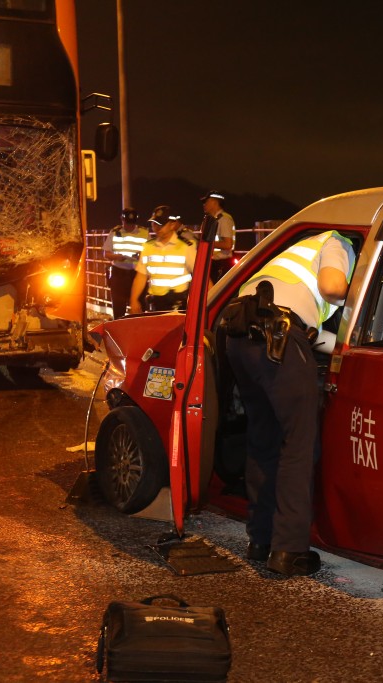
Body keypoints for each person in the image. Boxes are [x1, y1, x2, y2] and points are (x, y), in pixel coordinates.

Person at [222, 231, 355, 576]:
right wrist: (366, 291)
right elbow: (332, 288)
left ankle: (261, 540)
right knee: (298, 443)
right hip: (277, 334)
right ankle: (290, 550)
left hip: (241, 332)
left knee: (263, 438)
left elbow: (308, 325)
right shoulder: (339, 242)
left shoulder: (299, 248)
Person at [129, 206, 198, 313]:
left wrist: (211, 300)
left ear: (172, 224)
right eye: (154, 223)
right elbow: (141, 276)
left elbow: (201, 275)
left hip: (178, 305)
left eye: (161, 224)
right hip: (155, 304)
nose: (157, 227)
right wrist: (133, 300)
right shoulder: (148, 247)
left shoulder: (186, 246)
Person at [102, 207, 150, 319]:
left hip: (137, 274)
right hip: (119, 275)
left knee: (139, 308)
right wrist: (117, 257)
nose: (130, 226)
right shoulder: (115, 232)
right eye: (127, 223)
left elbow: (150, 252)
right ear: (122, 220)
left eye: (132, 223)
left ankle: (139, 331)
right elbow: (106, 254)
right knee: (119, 309)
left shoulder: (144, 233)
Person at [200, 190, 236, 282]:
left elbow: (228, 244)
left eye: (206, 201)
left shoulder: (223, 219)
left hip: (221, 264)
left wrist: (206, 244)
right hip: (213, 263)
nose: (204, 204)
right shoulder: (212, 219)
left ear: (214, 202)